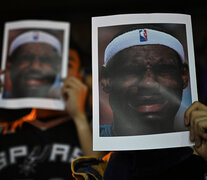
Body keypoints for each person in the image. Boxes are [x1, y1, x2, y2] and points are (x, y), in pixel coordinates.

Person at [0, 47, 103, 179]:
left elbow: (101, 175)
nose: (55, 72)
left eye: (66, 65)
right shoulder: (5, 128)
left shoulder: (94, 129)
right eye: (48, 61)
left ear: (80, 76)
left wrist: (80, 118)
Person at [100, 27, 189, 136]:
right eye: (131, 70)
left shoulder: (199, 145)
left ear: (183, 76)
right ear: (106, 79)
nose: (148, 84)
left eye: (163, 70)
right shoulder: (87, 141)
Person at [4, 30, 62, 98]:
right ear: (10, 65)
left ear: (58, 67)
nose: (35, 67)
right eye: (26, 58)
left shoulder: (66, 106)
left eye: (45, 60)